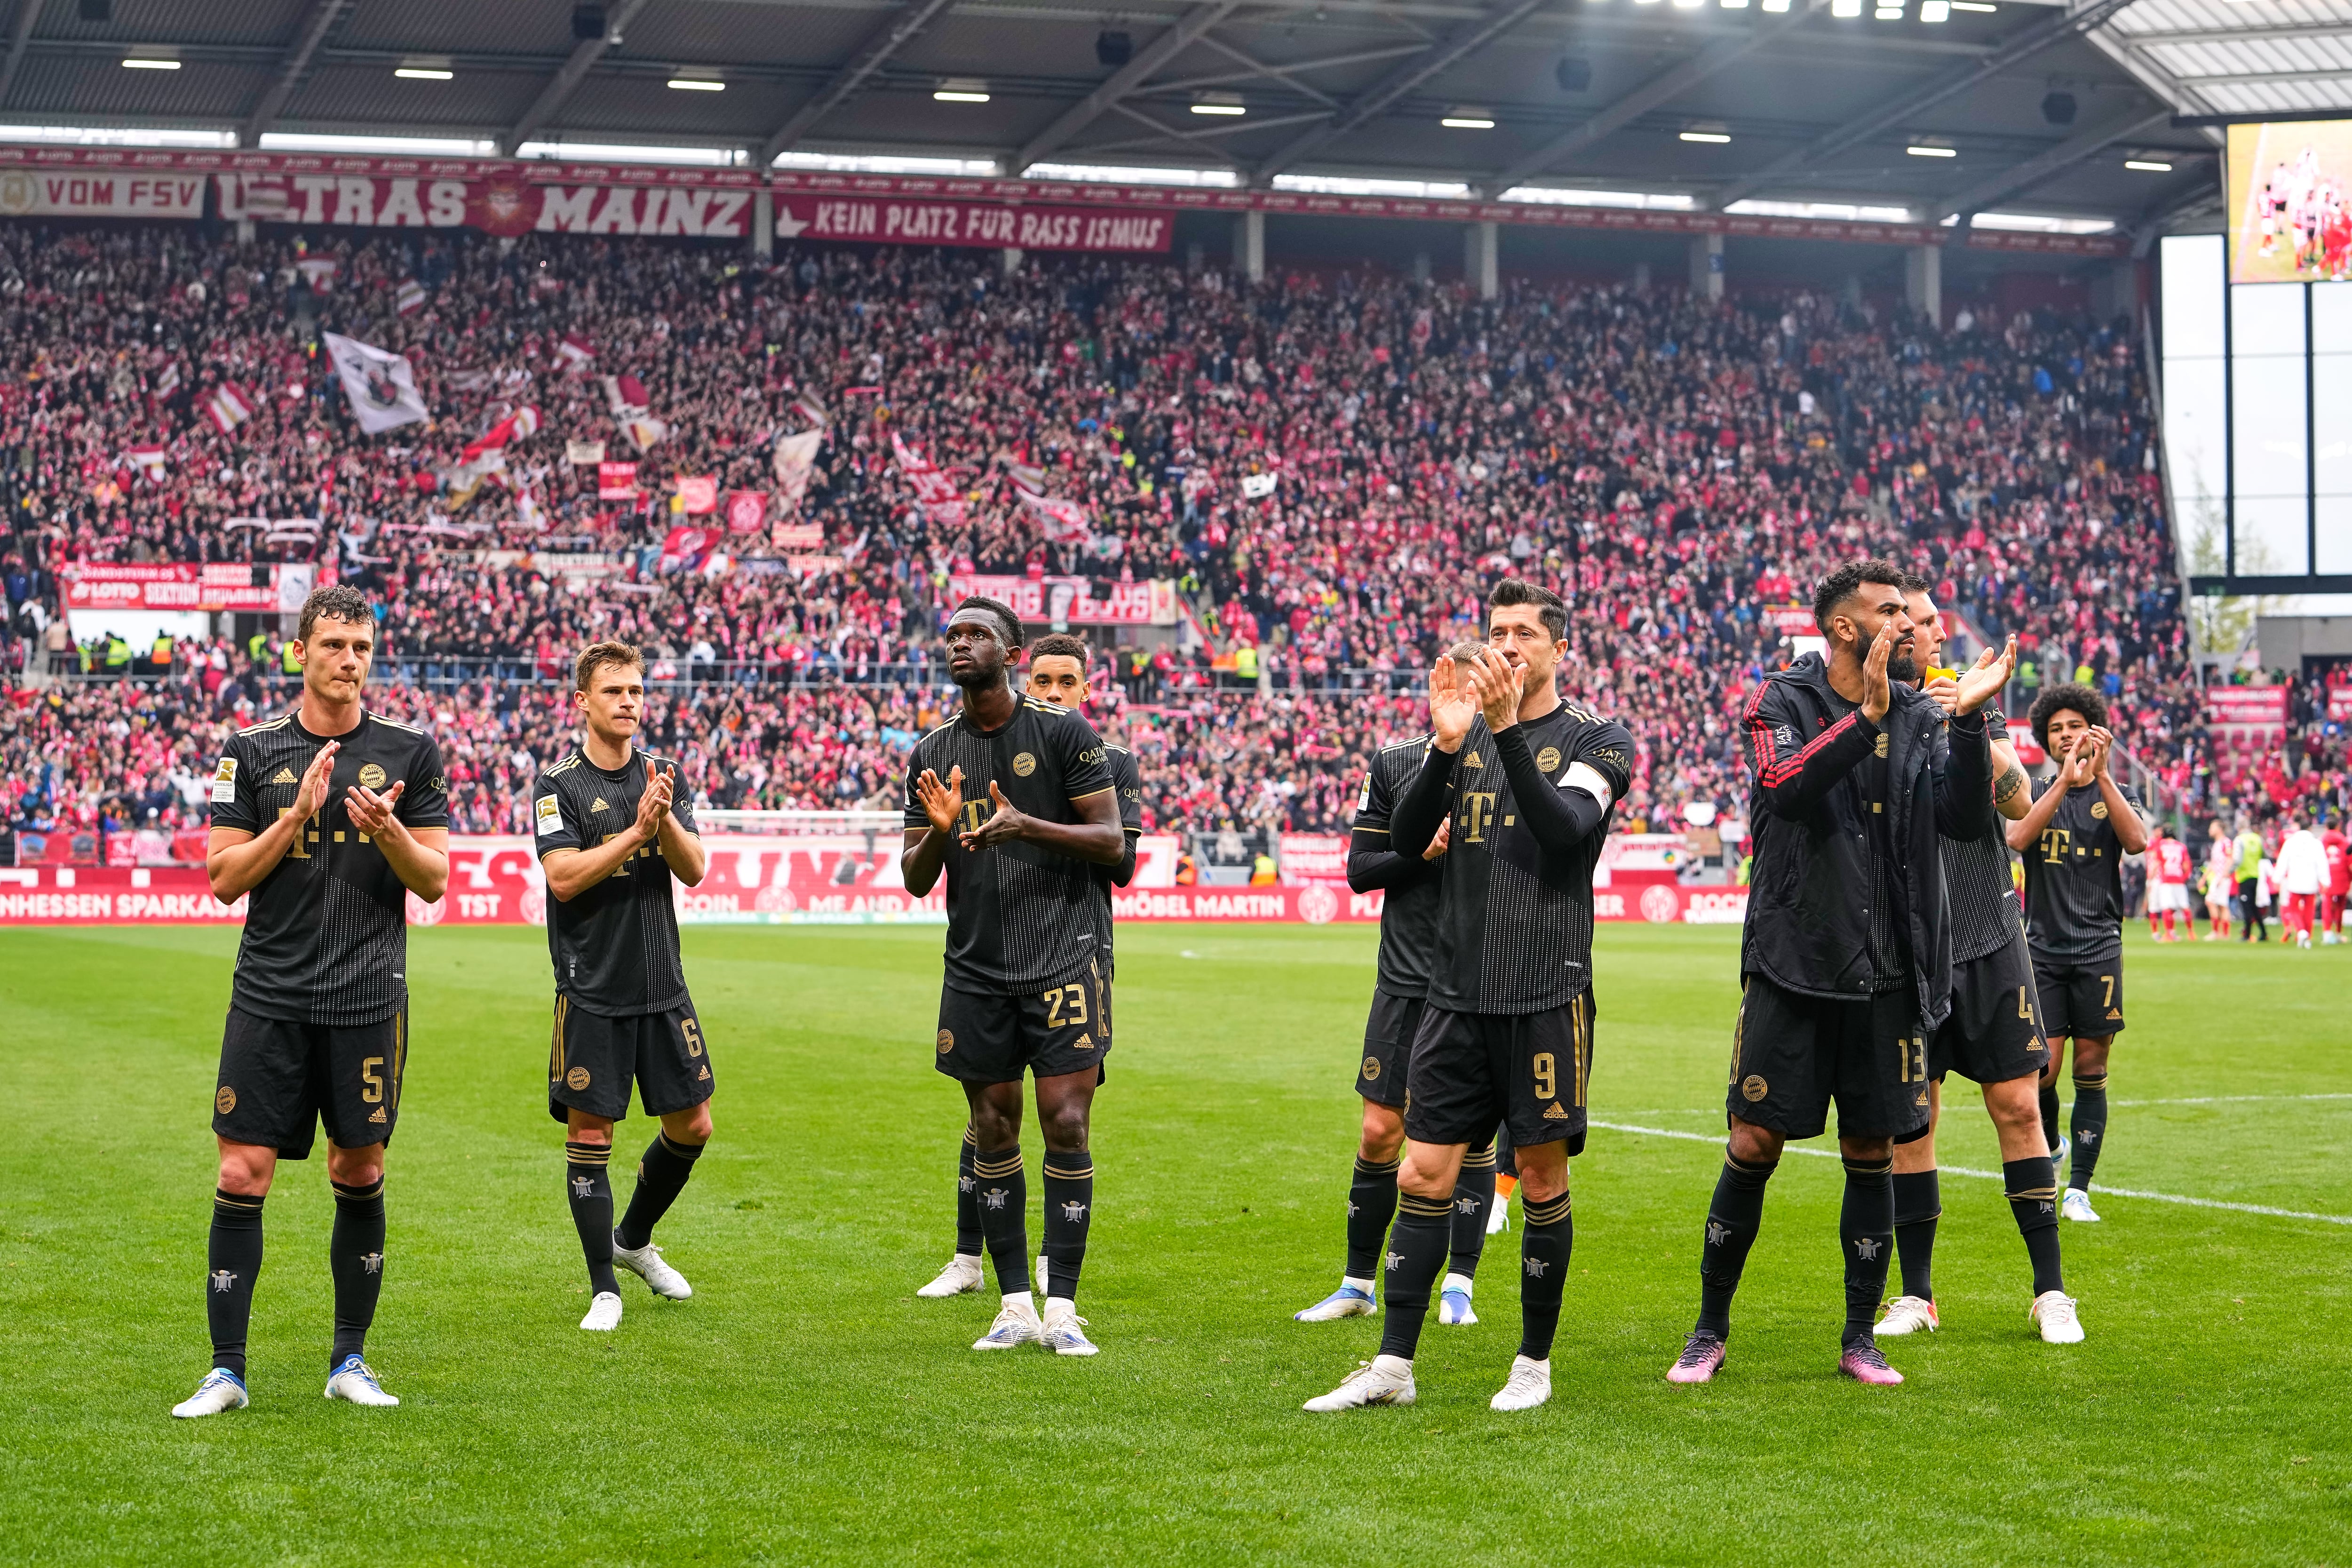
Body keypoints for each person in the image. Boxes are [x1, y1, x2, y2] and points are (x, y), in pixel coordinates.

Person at [1667, 559, 2003, 1389]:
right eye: (1894, 612)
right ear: (1847, 628)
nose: (1916, 625)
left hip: (1890, 971)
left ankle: (1860, 1335)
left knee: (1871, 1148)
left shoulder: (1926, 713)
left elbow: (1963, 817)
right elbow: (1782, 786)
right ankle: (1709, 1329)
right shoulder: (1781, 699)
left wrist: (1968, 721)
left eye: (1915, 613)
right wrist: (1868, 720)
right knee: (1753, 1141)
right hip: (1795, 962)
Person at [1304, 579, 1634, 1415]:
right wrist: (1449, 749)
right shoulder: (1459, 739)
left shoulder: (1601, 738)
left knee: (1542, 1174)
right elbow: (1407, 846)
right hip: (1451, 993)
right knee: (1422, 1170)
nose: (1509, 645)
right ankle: (1392, 1365)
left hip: (1545, 993)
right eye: (1498, 631)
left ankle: (1532, 1362)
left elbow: (1564, 832)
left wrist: (1507, 730)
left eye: (1525, 632)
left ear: (1561, 647)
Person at [172, 585, 450, 1419]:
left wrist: (389, 832)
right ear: (301, 651)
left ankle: (349, 1358)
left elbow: (434, 879)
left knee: (357, 1167)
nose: (350, 660)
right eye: (333, 644)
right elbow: (223, 877)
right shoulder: (252, 751)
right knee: (239, 1169)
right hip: (271, 993)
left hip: (367, 996)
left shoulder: (410, 751)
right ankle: (226, 1369)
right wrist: (291, 818)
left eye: (362, 646)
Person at [901, 598, 1125, 1356]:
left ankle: (1063, 1307)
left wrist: (1027, 824)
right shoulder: (931, 751)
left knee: (1066, 1121)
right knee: (992, 1128)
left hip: (1063, 956)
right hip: (977, 968)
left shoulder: (1064, 733)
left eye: (979, 635)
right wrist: (939, 834)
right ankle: (1014, 1304)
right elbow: (913, 878)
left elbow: (1110, 840)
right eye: (955, 635)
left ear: (1013, 651)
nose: (962, 644)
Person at [1875, 578, 2081, 1346]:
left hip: (1990, 939)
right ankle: (1917, 1294)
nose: (1925, 630)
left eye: (1930, 621)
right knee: (1913, 1123)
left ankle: (2051, 1290)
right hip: (1910, 949)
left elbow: (2020, 801)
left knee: (2019, 1110)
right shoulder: (1872, 711)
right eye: (1911, 619)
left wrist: (1970, 717)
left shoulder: (1973, 699)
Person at [1294, 641, 1497, 1329]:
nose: (1467, 703)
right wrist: (1422, 852)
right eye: (1455, 690)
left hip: (1482, 979)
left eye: (1479, 690)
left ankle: (1459, 1285)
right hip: (1407, 975)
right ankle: (1357, 1282)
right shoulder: (1398, 762)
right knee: (1381, 1130)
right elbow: (1360, 869)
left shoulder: (1515, 762)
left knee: (1467, 1139)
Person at [533, 640, 714, 1333]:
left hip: (663, 984)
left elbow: (694, 868)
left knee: (693, 1125)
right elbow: (565, 877)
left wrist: (661, 817)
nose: (630, 702)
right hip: (593, 988)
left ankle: (632, 1239)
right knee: (592, 1132)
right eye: (614, 692)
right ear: (583, 702)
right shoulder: (558, 786)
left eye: (637, 690)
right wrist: (636, 831)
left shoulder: (664, 775)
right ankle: (603, 1286)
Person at [2008, 683, 2148, 1225]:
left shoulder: (2116, 794)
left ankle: (2077, 1190)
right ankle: (2050, 1143)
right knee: (2041, 1071)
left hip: (2098, 951)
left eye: (2074, 726)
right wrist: (2063, 784)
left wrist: (2103, 776)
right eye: (2055, 730)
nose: (2066, 735)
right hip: (2040, 952)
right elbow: (2017, 838)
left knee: (2091, 1069)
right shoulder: (2035, 789)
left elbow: (2135, 843)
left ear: (2093, 729)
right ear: (2046, 740)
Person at [2278, 814, 2327, 949]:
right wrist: (2325, 881)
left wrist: (2277, 878)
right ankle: (2308, 936)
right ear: (2310, 829)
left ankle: (2301, 931)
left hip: (2294, 880)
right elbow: (2322, 863)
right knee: (2309, 910)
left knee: (2294, 908)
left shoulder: (2291, 842)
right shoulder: (2317, 843)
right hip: (2311, 881)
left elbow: (2282, 861)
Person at [2146, 822, 2193, 942]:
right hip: (2179, 880)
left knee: (2166, 907)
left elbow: (2156, 863)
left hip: (2166, 880)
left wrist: (2150, 880)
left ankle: (2168, 934)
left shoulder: (2160, 846)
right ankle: (2191, 933)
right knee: (2185, 906)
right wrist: (2185, 878)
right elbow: (2187, 865)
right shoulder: (2181, 846)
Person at [2234, 816, 2267, 942]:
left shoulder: (2240, 840)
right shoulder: (2257, 838)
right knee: (2254, 906)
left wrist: (2229, 871)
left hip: (2244, 876)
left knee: (2247, 907)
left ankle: (2247, 934)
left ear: (2239, 827)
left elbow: (2237, 859)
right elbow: (2265, 854)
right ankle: (2264, 933)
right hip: (2256, 875)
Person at [2204, 819, 2238, 940]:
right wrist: (2204, 878)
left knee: (2214, 902)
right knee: (2219, 904)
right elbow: (2213, 863)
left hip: (2222, 878)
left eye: (2212, 828)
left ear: (2219, 829)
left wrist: (2223, 875)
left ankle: (2218, 932)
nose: (2210, 830)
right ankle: (2223, 933)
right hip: (2218, 877)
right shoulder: (2217, 844)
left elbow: (2230, 859)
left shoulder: (2226, 842)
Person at [2322, 813, 2349, 945]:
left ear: (2326, 827)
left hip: (2327, 877)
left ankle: (2327, 933)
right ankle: (2338, 933)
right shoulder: (2345, 842)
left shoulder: (2321, 842)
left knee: (2327, 905)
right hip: (2343, 878)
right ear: (2338, 827)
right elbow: (2350, 863)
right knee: (2340, 907)